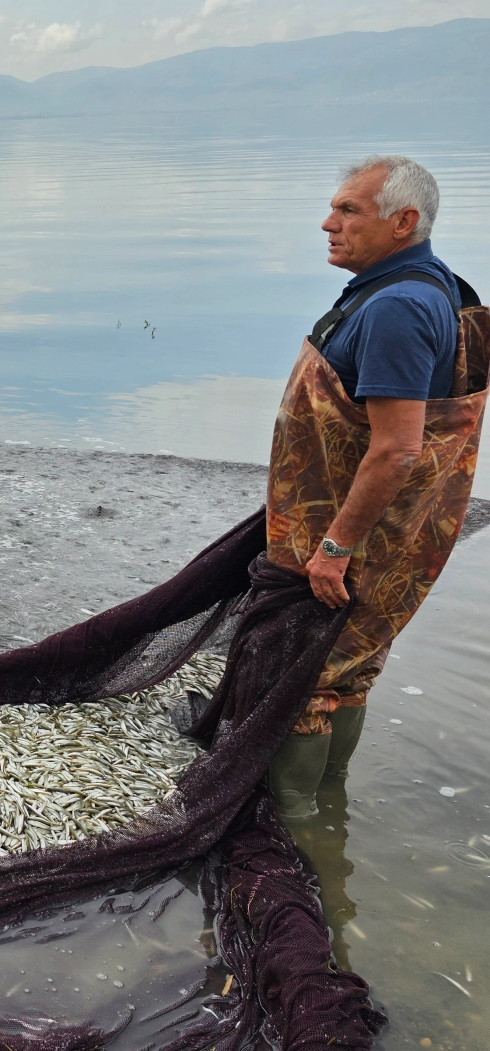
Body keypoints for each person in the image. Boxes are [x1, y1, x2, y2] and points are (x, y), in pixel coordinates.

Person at [266, 155, 485, 820]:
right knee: (349, 673)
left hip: (350, 535)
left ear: (403, 221)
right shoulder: (434, 288)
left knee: (304, 678)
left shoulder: (396, 308)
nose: (327, 223)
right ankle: (327, 813)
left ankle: (290, 826)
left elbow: (395, 450)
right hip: (402, 536)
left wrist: (334, 546)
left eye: (348, 211)